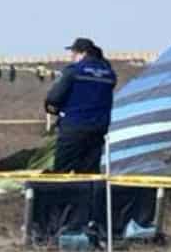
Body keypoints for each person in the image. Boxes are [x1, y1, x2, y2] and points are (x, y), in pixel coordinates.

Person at [45, 38, 117, 174]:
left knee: (62, 170)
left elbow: (53, 98)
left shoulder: (73, 71)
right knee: (89, 172)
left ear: (83, 53)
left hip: (73, 127)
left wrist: (53, 109)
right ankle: (88, 195)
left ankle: (62, 195)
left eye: (74, 53)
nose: (71, 56)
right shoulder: (109, 74)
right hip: (98, 129)